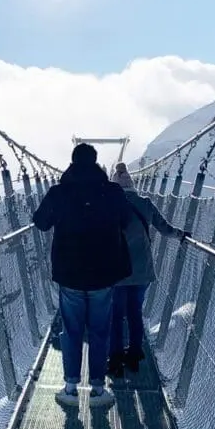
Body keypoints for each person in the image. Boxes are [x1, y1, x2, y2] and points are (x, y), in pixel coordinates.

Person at [34, 143, 132, 408]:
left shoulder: (59, 192)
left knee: (72, 330)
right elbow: (125, 221)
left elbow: (41, 223)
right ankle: (99, 390)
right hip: (103, 273)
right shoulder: (112, 192)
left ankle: (70, 388)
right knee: (101, 330)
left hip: (70, 274)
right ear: (96, 162)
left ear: (72, 162)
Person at [108, 162, 189, 377]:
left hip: (116, 272)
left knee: (115, 316)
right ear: (132, 185)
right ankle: (134, 354)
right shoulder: (145, 204)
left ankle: (115, 357)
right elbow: (165, 228)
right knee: (135, 313)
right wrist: (180, 234)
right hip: (142, 271)